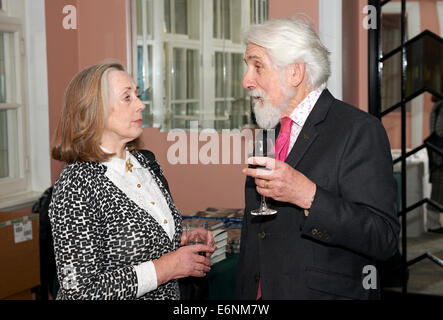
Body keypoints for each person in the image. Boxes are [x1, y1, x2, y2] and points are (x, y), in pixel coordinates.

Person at [235, 17, 400, 300]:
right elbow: (258, 233)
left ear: (295, 73)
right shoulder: (269, 129)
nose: (246, 81)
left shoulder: (358, 130)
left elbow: (383, 238)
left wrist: (308, 195)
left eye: (257, 65)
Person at [49, 62, 215, 300]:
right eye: (127, 97)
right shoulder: (77, 185)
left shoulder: (144, 163)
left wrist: (181, 238)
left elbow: (131, 241)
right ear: (93, 110)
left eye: (137, 94)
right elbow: (80, 292)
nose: (141, 104)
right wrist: (167, 267)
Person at [427, 95, 443, 232]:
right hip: (440, 156)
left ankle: (433, 223)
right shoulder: (441, 106)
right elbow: (440, 130)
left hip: (436, 153)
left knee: (438, 190)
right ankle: (433, 224)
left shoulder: (437, 106)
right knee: (438, 191)